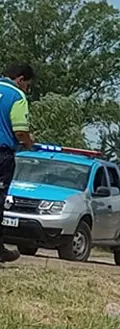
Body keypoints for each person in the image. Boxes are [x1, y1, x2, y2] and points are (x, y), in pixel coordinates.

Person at [0, 62, 35, 264]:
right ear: (21, 79)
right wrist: (29, 143)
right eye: (27, 85)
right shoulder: (17, 96)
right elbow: (20, 131)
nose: (26, 89)